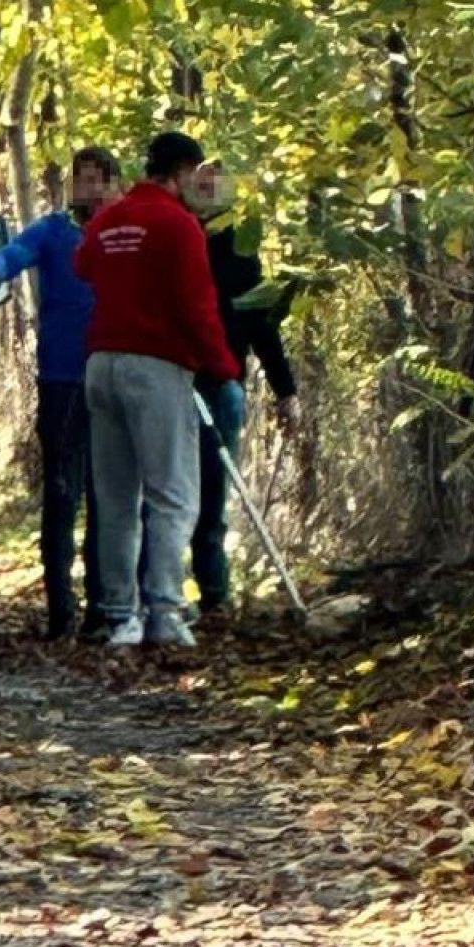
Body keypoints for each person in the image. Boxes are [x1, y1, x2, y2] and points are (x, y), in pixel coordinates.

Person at [74, 131, 241, 649]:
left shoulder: (108, 219)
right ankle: (166, 611)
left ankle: (120, 616)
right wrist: (221, 365)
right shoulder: (178, 224)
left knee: (116, 496)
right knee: (172, 494)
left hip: (101, 364)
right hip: (157, 367)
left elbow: (84, 266)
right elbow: (198, 305)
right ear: (183, 171)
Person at [0, 147, 121, 640]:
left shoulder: (123, 235)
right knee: (61, 494)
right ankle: (61, 612)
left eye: (98, 179)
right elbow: (13, 255)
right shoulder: (54, 231)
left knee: (108, 497)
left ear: (114, 185)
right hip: (61, 379)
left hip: (112, 377)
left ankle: (103, 608)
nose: (88, 189)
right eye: (81, 179)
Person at [179, 161, 299, 614]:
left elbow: (261, 322)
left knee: (214, 493)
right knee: (169, 494)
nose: (208, 192)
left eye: (216, 185)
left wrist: (285, 391)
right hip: (172, 382)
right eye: (201, 183)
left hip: (223, 383)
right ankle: (162, 595)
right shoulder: (174, 236)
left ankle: (214, 595)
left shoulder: (240, 248)